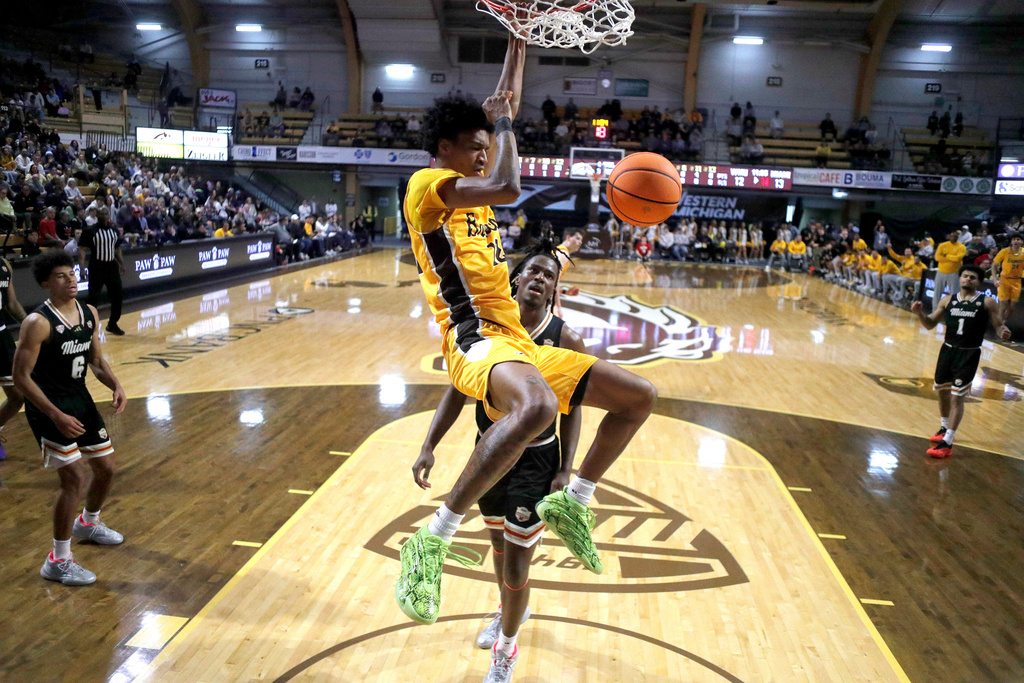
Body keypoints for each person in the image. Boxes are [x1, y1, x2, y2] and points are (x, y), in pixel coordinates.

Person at [397, 37, 657, 673]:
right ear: (445, 151)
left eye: (486, 142)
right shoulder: (429, 185)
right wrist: (507, 125)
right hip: (470, 336)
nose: (484, 149)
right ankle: (434, 537)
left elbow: (501, 105)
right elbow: (509, 183)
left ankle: (578, 497)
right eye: (473, 145)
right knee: (538, 406)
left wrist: (520, 38)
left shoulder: (474, 192)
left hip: (513, 341)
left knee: (637, 397)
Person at [413, 244, 585, 679]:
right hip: (488, 456)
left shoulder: (566, 338)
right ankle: (509, 610)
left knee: (516, 562)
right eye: (532, 272)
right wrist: (429, 444)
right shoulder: (488, 331)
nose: (539, 279)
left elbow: (574, 406)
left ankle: (505, 654)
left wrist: (566, 469)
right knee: (497, 547)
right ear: (517, 279)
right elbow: (456, 388)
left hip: (537, 462)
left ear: (554, 289)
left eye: (548, 275)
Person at [13, 250, 127, 585]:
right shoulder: (38, 323)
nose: (72, 279)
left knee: (106, 468)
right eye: (62, 276)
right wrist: (55, 414)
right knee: (74, 479)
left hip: (80, 400)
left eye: (73, 273)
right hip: (48, 407)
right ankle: (58, 560)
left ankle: (88, 523)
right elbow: (21, 378)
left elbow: (95, 360)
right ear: (47, 284)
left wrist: (116, 384)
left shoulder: (88, 312)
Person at [911, 265, 1011, 458]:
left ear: (978, 282)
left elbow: (999, 326)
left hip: (968, 353)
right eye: (965, 276)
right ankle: (944, 427)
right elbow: (930, 324)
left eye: (972, 277)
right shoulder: (948, 300)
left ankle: (948, 441)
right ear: (960, 279)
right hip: (947, 351)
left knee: (958, 397)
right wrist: (919, 314)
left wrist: (1004, 333)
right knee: (942, 391)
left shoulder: (987, 302)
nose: (968, 280)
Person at [79, 210, 125, 336]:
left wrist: (121, 263)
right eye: (101, 214)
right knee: (93, 297)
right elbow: (82, 249)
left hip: (112, 266)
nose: (103, 216)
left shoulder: (114, 230)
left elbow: (117, 248)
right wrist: (82, 268)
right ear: (97, 216)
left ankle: (112, 324)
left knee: (118, 295)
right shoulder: (90, 230)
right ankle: (88, 326)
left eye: (105, 214)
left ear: (108, 216)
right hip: (96, 266)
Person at [0, 256, 28, 460]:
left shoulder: (3, 263)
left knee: (18, 395)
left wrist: (32, 324)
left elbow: (11, 303)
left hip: (1, 337)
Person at [992, 232, 1023, 322]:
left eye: (1018, 239)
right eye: (1014, 239)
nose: (1016, 241)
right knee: (1003, 303)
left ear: (1022, 242)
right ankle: (1000, 326)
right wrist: (995, 279)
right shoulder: (1005, 251)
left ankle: (1002, 321)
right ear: (1011, 242)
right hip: (1004, 280)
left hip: (1017, 281)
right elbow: (994, 265)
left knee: (1011, 308)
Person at [933, 229, 966, 312]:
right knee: (937, 293)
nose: (953, 238)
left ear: (958, 237)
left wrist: (946, 256)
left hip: (954, 273)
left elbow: (958, 258)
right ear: (949, 236)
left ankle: (953, 312)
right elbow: (937, 258)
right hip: (941, 272)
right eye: (952, 236)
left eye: (955, 236)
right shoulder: (942, 245)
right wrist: (952, 257)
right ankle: (934, 312)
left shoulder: (961, 247)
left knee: (954, 294)